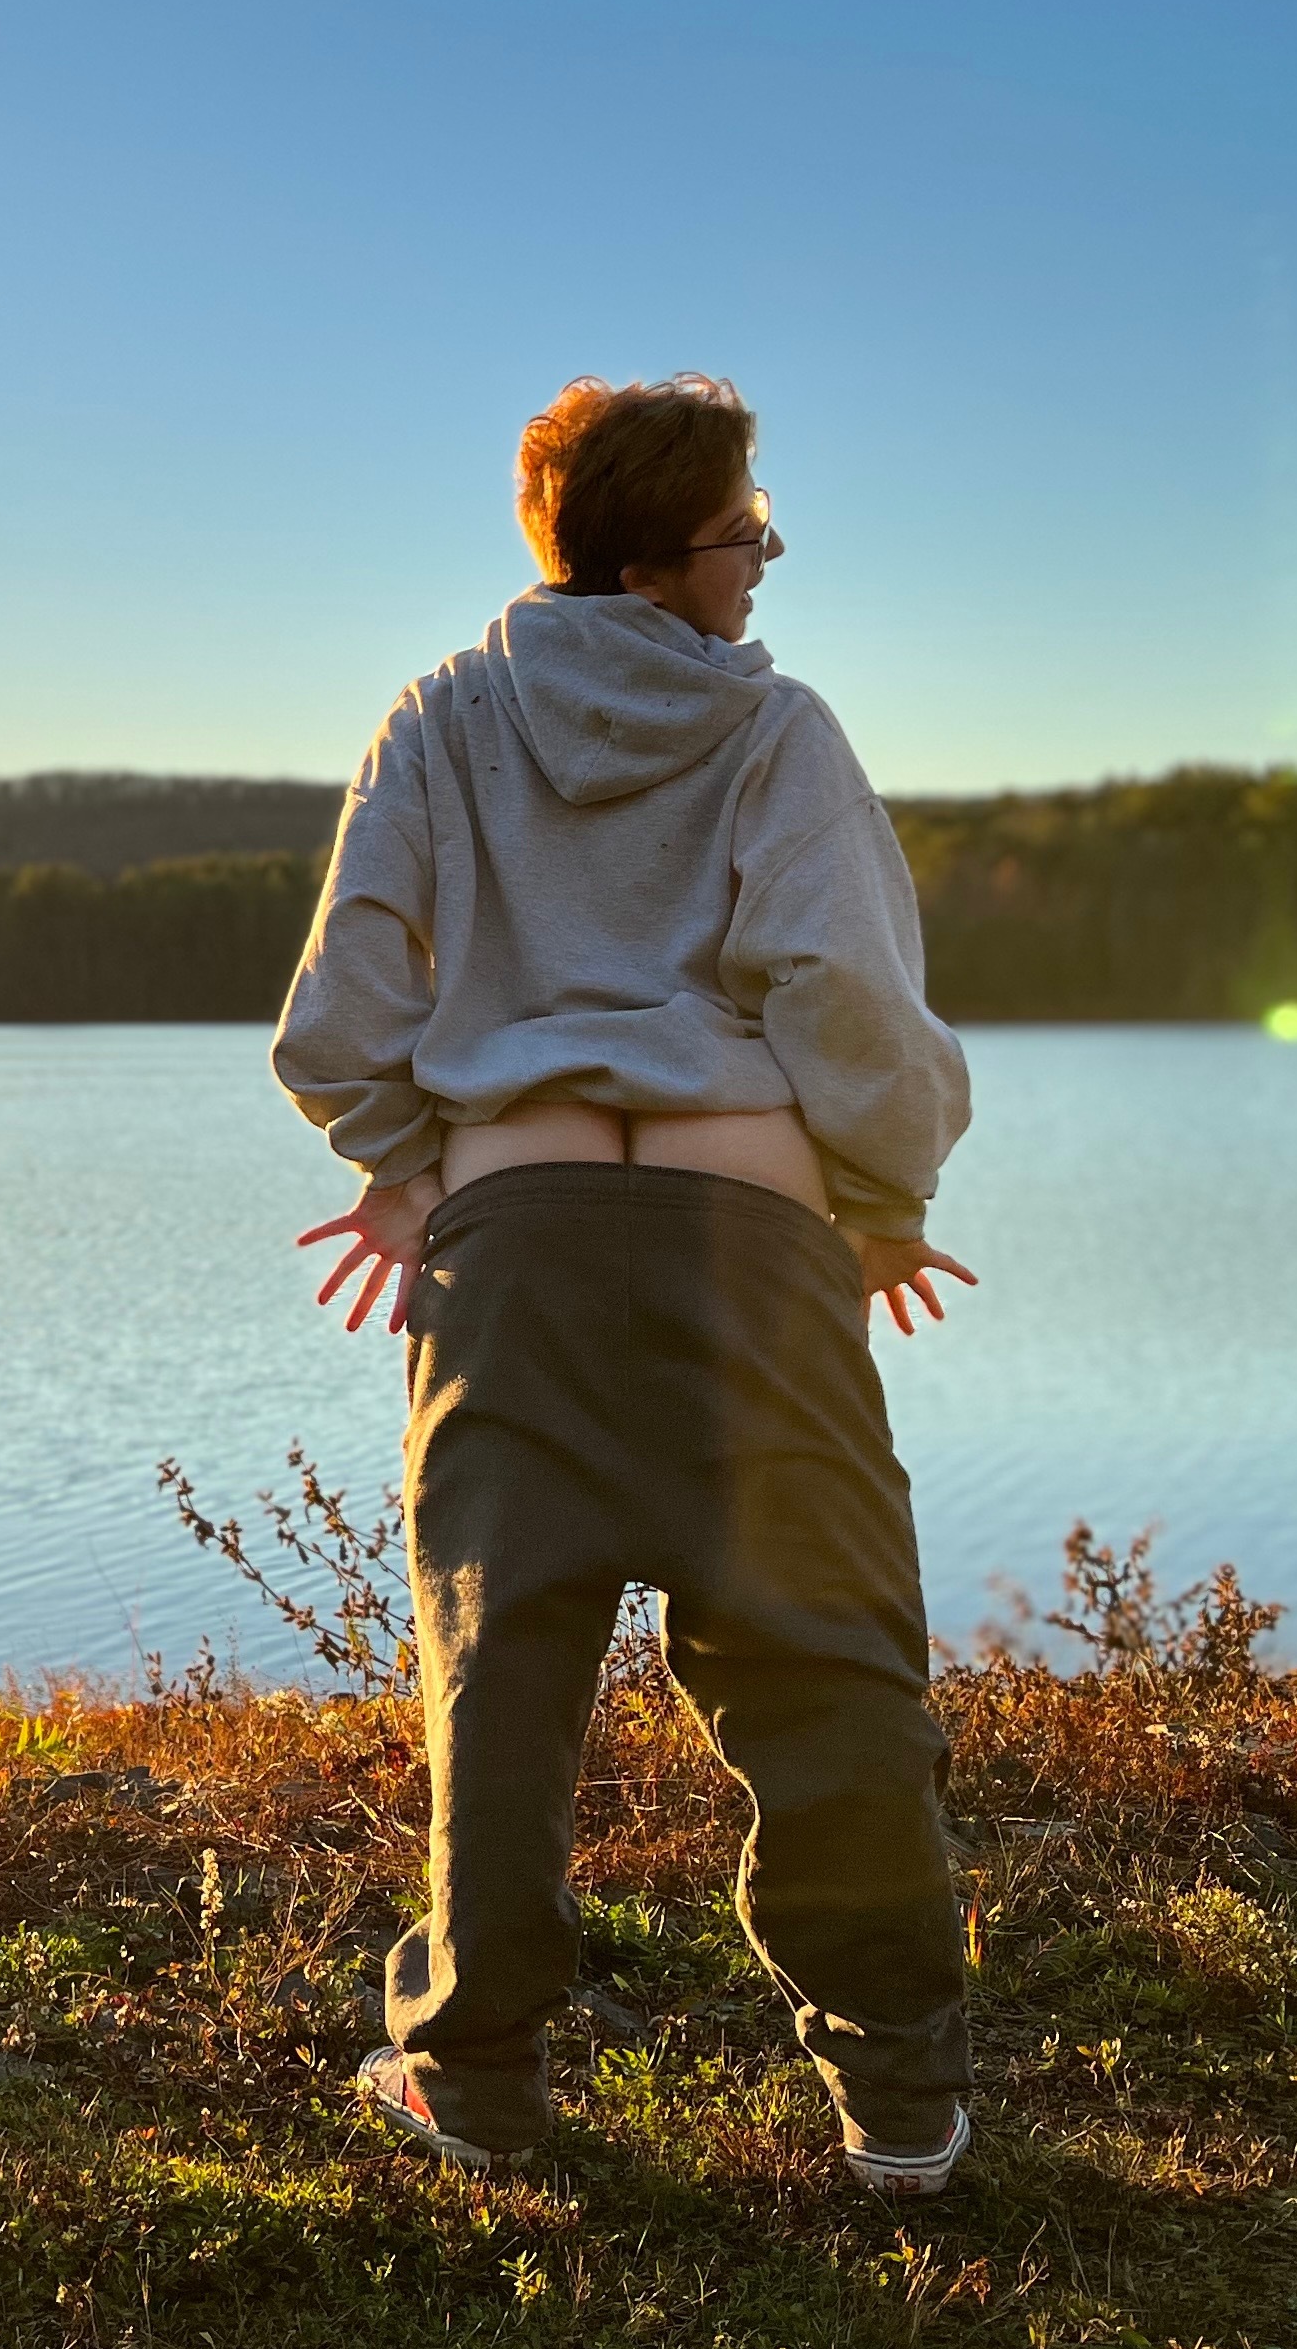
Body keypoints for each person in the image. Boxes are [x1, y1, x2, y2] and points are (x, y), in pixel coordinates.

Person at [270, 371, 982, 2196]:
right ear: (667, 559)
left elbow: (343, 1012)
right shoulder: (779, 729)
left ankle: (481, 2077)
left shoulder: (440, 717)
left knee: (500, 1672)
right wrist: (887, 1191)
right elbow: (842, 992)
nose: (766, 563)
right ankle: (899, 2100)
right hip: (750, 1250)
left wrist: (410, 1169)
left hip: (518, 1255)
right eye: (750, 532)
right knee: (826, 1661)